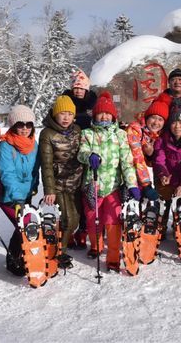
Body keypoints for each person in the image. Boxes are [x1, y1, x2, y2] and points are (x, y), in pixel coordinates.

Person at [77, 91, 138, 272]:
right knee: (92, 219)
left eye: (107, 113)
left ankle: (112, 256)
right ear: (95, 115)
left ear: (113, 115)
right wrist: (89, 156)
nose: (104, 116)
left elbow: (127, 162)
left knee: (113, 221)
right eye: (100, 113)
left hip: (113, 187)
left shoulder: (120, 135)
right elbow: (81, 153)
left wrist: (132, 184)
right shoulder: (87, 133)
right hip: (92, 185)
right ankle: (96, 246)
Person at [39, 95, 84, 269]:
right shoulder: (47, 134)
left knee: (76, 218)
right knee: (67, 220)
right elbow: (46, 164)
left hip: (77, 181)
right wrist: (49, 189)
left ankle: (60, 241)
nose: (66, 118)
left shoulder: (77, 130)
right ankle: (59, 252)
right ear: (55, 114)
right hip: (58, 184)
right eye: (62, 114)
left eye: (69, 114)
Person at [0, 105, 41, 276]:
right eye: (20, 124)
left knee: (21, 225)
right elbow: (7, 174)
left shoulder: (34, 145)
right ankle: (14, 260)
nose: (24, 128)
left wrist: (34, 187)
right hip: (8, 195)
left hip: (25, 194)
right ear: (13, 125)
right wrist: (17, 199)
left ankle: (18, 256)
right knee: (25, 224)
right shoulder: (5, 146)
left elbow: (35, 170)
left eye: (28, 124)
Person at [62, 70, 96, 248]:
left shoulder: (93, 104)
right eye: (75, 87)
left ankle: (83, 230)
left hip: (89, 153)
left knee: (87, 193)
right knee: (72, 196)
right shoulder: (64, 103)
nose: (78, 91)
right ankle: (69, 230)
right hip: (69, 155)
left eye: (81, 88)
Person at [125, 100, 169, 204]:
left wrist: (151, 155)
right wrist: (146, 185)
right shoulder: (135, 129)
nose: (156, 123)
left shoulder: (158, 135)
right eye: (153, 117)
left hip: (144, 177)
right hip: (130, 177)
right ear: (147, 117)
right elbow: (137, 157)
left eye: (160, 119)